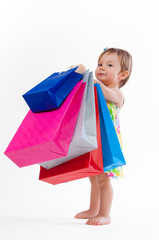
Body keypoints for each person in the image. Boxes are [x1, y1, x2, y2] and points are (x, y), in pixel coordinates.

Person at [74, 48, 133, 225]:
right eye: (100, 64)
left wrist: (85, 74)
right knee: (92, 176)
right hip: (94, 138)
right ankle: (93, 209)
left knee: (103, 178)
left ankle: (105, 213)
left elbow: (100, 88)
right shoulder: (96, 88)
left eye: (108, 65)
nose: (101, 68)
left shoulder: (116, 94)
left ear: (122, 74)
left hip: (108, 143)